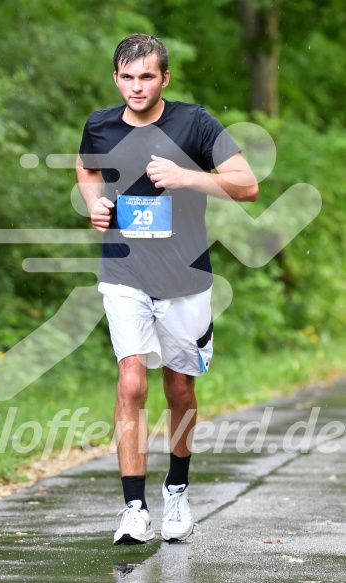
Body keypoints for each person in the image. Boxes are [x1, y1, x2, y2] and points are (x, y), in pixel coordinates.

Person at [76, 33, 258, 545]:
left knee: (180, 388)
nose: (137, 87)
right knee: (132, 383)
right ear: (116, 77)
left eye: (147, 77)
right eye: (128, 77)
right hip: (123, 271)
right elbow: (87, 167)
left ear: (165, 78)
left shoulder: (194, 123)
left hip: (185, 278)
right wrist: (94, 202)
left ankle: (176, 490)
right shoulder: (100, 124)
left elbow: (247, 184)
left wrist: (187, 176)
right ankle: (133, 507)